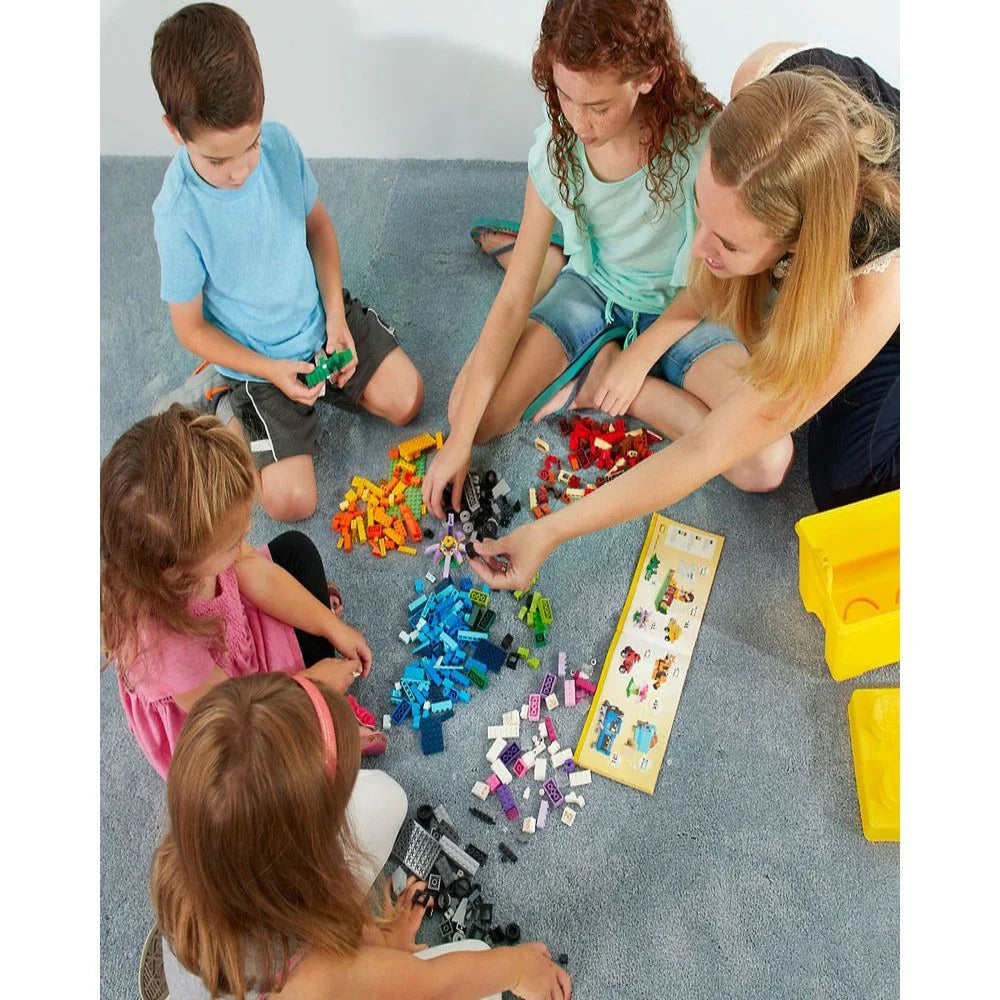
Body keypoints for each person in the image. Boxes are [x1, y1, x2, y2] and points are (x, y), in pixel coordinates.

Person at [468, 43, 900, 590]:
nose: (695, 250)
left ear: (799, 246)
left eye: (728, 243)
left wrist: (551, 531)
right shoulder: (760, 80)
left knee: (848, 480)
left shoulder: (883, 276)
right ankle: (573, 254)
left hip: (896, 293)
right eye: (701, 208)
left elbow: (711, 445)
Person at [424, 0, 738, 518]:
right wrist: (458, 444)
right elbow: (511, 303)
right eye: (564, 95)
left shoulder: (700, 143)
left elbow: (712, 282)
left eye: (598, 106)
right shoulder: (559, 146)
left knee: (761, 461)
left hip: (685, 305)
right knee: (468, 415)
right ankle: (587, 342)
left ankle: (603, 375)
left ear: (648, 75)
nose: (579, 121)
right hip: (595, 289)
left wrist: (637, 362)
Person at [149, 3, 424, 522]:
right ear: (175, 131)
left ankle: (318, 379)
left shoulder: (279, 146)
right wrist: (269, 370)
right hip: (257, 366)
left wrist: (337, 320)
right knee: (291, 503)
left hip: (320, 324)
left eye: (249, 145)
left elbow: (318, 229)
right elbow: (189, 326)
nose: (240, 172)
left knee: (408, 399)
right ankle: (226, 398)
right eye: (217, 159)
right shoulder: (178, 214)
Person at [152, 672, 573, 1000]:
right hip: (304, 976)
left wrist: (381, 939)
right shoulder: (321, 981)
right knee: (480, 966)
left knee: (385, 798)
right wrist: (518, 967)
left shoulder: (201, 840)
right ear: (311, 855)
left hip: (270, 918)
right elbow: (430, 984)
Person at [101, 405, 385, 779]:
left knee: (295, 550)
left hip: (234, 646)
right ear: (177, 568)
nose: (248, 532)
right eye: (233, 540)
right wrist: (314, 685)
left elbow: (254, 569)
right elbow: (240, 712)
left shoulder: (190, 551)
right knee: (261, 771)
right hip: (225, 715)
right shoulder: (163, 646)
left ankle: (315, 700)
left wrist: (330, 627)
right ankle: (320, 719)